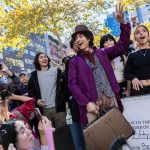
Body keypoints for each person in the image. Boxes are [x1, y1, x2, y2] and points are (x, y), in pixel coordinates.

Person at [68, 3, 131, 127]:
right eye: (76, 38)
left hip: (112, 99)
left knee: (119, 131)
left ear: (89, 38)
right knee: (99, 139)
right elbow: (72, 84)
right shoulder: (74, 62)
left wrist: (123, 23)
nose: (78, 40)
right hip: (93, 105)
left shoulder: (103, 53)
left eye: (80, 36)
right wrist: (86, 103)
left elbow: (122, 45)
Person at [28, 52, 66, 128]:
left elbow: (64, 86)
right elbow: (31, 93)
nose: (44, 58)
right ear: (37, 61)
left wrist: (63, 100)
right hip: (44, 110)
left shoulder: (56, 71)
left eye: (45, 57)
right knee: (49, 134)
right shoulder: (33, 76)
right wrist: (36, 101)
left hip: (58, 108)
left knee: (63, 132)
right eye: (41, 57)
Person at [124, 24, 150, 96]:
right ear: (135, 38)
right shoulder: (132, 55)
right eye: (138, 32)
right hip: (139, 89)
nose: (141, 33)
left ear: (148, 35)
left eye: (144, 31)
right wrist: (133, 78)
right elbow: (126, 73)